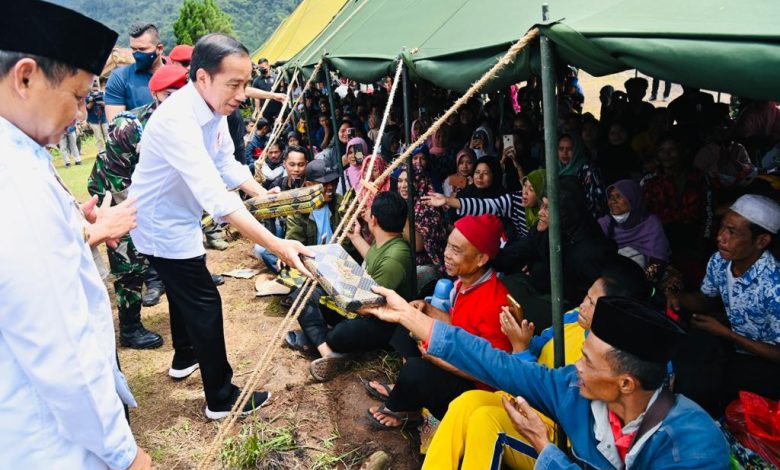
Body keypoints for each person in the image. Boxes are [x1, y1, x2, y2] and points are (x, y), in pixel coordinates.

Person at [128, 33, 313, 419]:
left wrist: (267, 198)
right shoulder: (177, 120)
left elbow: (228, 165)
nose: (243, 94)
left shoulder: (213, 112)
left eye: (245, 84)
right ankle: (221, 398)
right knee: (204, 301)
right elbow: (218, 198)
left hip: (177, 218)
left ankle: (184, 358)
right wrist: (277, 245)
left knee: (186, 294)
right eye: (235, 84)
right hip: (162, 224)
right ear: (202, 79)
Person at [0, 2, 153, 468]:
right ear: (25, 77)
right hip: (49, 440)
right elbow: (61, 347)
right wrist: (123, 452)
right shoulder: (17, 186)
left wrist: (74, 228)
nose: (84, 116)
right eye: (80, 96)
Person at [364, 292, 730, 468]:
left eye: (587, 361)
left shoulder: (694, 447)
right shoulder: (575, 387)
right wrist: (412, 320)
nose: (577, 368)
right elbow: (498, 365)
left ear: (626, 384)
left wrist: (546, 449)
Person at [423, 258, 653, 469]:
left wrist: (521, 352)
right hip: (524, 397)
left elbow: (561, 397)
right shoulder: (573, 318)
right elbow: (541, 342)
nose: (582, 305)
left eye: (591, 303)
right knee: (465, 403)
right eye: (586, 297)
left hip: (552, 429)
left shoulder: (611, 357)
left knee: (485, 421)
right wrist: (523, 341)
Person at [365, 214, 513, 429]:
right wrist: (429, 309)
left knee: (417, 369)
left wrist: (440, 361)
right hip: (460, 356)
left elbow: (494, 372)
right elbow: (460, 324)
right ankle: (407, 393)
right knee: (406, 325)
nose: (446, 255)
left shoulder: (495, 304)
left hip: (477, 388)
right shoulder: (467, 282)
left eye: (457, 250)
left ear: (481, 258)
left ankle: (407, 410)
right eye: (448, 246)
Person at [87, 64, 189, 349]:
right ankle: (130, 328)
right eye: (171, 95)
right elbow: (117, 183)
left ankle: (156, 282)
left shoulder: (183, 124)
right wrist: (138, 217)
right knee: (128, 258)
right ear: (157, 95)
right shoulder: (129, 126)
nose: (178, 102)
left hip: (147, 194)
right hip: (113, 195)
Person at [670, 195, 780, 409]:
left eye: (732, 232)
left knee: (714, 385)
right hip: (733, 345)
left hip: (766, 363)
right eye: (722, 228)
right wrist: (673, 295)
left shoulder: (774, 287)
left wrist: (726, 333)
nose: (720, 237)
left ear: (761, 241)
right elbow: (703, 300)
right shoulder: (719, 261)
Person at [301, 192, 413, 382]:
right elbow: (372, 259)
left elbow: (370, 306)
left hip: (383, 322)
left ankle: (325, 340)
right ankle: (327, 351)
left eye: (368, 210)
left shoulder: (395, 256)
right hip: (363, 306)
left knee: (340, 334)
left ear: (374, 220)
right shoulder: (385, 242)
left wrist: (335, 285)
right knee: (304, 294)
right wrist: (355, 237)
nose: (365, 212)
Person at [252, 145, 310, 271]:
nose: (296, 169)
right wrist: (275, 243)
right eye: (292, 164)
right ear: (284, 164)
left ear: (307, 164)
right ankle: (288, 269)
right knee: (262, 250)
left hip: (305, 234)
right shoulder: (278, 185)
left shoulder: (311, 185)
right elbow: (269, 216)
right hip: (284, 229)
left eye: (301, 165)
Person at [598, 179, 670, 270]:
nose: (612, 201)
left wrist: (643, 282)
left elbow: (658, 262)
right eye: (610, 197)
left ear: (633, 199)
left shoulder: (651, 224)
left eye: (618, 196)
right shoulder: (605, 223)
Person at [104, 23, 165, 121]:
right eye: (133, 49)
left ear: (159, 49)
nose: (137, 54)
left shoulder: (178, 73)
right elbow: (116, 127)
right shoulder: (120, 78)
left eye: (142, 49)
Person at [85, 79, 108, 152]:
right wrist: (92, 101)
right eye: (93, 90)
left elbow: (108, 105)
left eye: (96, 90)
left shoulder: (103, 94)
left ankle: (110, 149)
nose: (95, 92)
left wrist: (102, 103)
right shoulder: (87, 96)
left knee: (107, 134)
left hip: (104, 118)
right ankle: (101, 151)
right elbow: (87, 107)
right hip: (93, 119)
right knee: (98, 137)